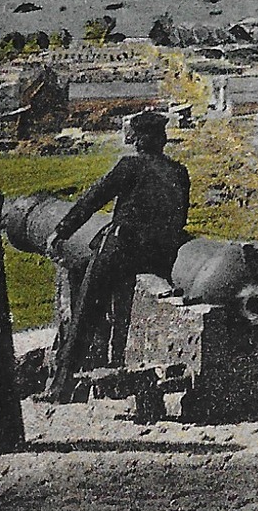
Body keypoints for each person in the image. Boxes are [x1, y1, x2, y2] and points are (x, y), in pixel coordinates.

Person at [46, 110, 191, 399]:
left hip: (125, 250)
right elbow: (180, 217)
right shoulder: (179, 172)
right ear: (162, 140)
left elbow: (92, 199)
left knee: (86, 309)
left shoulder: (130, 167)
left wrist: (61, 231)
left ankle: (61, 385)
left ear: (137, 140)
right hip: (162, 255)